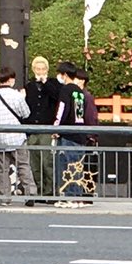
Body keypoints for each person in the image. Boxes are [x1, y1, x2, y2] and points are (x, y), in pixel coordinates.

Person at [0, 67, 33, 198]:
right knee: (23, 166)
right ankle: (30, 193)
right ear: (11, 80)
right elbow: (26, 113)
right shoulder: (17, 95)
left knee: (2, 170)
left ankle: (5, 197)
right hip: (17, 137)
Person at [54, 60, 97, 205]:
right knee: (77, 166)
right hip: (80, 133)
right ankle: (77, 197)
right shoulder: (80, 92)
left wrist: (56, 128)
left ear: (64, 75)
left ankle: (68, 196)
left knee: (66, 167)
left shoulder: (66, 90)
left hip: (68, 133)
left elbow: (62, 110)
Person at [25, 54, 62, 202]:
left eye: (43, 68)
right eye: (37, 68)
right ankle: (39, 190)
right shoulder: (29, 86)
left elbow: (57, 96)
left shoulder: (53, 84)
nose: (40, 71)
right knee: (35, 163)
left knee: (48, 161)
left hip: (47, 127)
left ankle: (50, 192)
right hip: (33, 128)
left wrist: (45, 82)